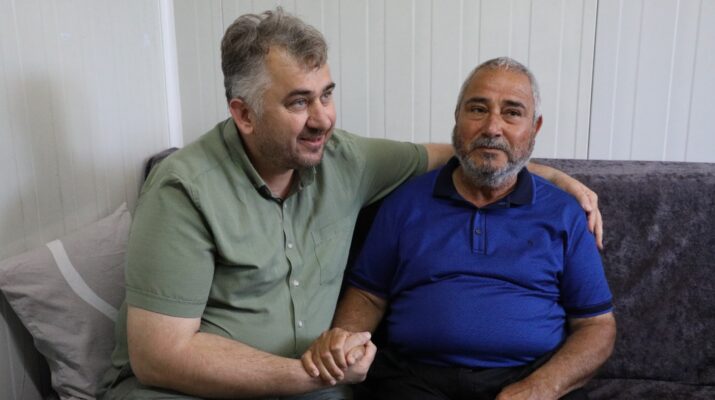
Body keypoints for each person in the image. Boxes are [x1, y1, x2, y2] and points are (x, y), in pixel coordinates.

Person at [98, 8, 603, 399]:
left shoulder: (345, 160)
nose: (323, 119)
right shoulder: (183, 189)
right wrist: (310, 375)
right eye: (299, 101)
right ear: (244, 114)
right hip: (192, 390)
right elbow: (159, 357)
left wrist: (543, 173)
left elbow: (465, 150)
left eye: (327, 94)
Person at [302, 57, 616, 400]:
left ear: (535, 127)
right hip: (416, 379)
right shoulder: (404, 202)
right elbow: (367, 295)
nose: (492, 128)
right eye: (478, 109)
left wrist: (541, 388)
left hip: (529, 375)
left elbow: (596, 325)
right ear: (457, 117)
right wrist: (345, 339)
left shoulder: (564, 213)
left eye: (512, 113)